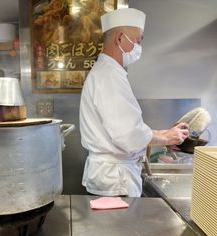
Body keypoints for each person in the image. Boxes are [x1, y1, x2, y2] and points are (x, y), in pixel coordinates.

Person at [79, 8, 189, 197]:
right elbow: (128, 135)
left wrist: (165, 134)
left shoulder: (109, 72)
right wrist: (166, 138)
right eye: (138, 40)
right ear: (120, 38)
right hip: (116, 180)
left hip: (112, 176)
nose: (139, 46)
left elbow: (125, 128)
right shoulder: (110, 76)